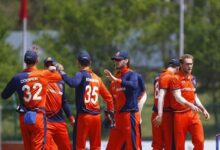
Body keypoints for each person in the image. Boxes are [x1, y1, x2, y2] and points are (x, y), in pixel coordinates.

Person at [1, 46, 62, 150]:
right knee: (38, 147)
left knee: (28, 147)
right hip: (38, 117)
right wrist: (52, 69)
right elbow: (58, 77)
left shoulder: (17, 77)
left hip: (24, 117)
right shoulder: (43, 74)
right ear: (37, 61)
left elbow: (4, 95)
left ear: (25, 61)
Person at [60, 50, 114, 150]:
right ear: (90, 63)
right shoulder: (97, 78)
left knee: (79, 146)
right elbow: (109, 97)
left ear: (77, 62)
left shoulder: (80, 74)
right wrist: (110, 112)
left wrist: (62, 74)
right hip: (97, 117)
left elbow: (73, 83)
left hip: (84, 117)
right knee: (96, 146)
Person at [170, 54, 210, 150]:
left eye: (191, 64)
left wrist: (203, 109)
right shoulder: (175, 78)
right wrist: (190, 105)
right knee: (179, 145)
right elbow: (178, 97)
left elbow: (195, 96)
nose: (190, 66)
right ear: (181, 64)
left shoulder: (193, 78)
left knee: (200, 141)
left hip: (193, 114)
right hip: (179, 115)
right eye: (187, 64)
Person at [104, 50, 142, 150]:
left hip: (129, 115)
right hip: (117, 117)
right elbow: (113, 99)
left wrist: (116, 80)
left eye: (119, 60)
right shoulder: (114, 79)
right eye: (115, 60)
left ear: (126, 61)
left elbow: (134, 85)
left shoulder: (131, 75)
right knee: (111, 147)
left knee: (132, 146)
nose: (116, 61)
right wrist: (109, 114)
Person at [43, 57, 75, 150]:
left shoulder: (60, 82)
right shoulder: (42, 80)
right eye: (47, 65)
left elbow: (64, 102)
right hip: (46, 122)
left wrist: (71, 119)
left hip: (60, 121)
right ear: (45, 67)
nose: (50, 66)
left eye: (51, 64)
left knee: (66, 147)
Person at [151, 58, 180, 150]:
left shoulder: (158, 77)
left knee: (157, 144)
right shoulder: (170, 77)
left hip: (155, 113)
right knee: (169, 143)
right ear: (178, 68)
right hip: (165, 114)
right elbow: (162, 96)